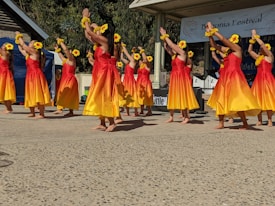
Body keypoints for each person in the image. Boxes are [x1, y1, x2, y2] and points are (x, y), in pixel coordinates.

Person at [205, 22, 261, 129]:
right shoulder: (228, 51)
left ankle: (245, 123)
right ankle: (221, 122)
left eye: (231, 39)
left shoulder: (238, 50)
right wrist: (210, 35)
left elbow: (223, 40)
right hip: (225, 77)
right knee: (221, 98)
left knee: (237, 99)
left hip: (235, 77)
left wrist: (214, 30)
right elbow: (214, 46)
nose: (229, 40)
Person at [81, 8, 119, 132]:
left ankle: (112, 122)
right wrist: (88, 24)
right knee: (98, 96)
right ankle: (102, 122)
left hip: (105, 73)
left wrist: (86, 18)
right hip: (99, 72)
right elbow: (88, 35)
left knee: (106, 95)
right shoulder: (98, 44)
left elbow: (91, 34)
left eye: (100, 30)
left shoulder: (105, 42)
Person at [159, 27, 199, 124]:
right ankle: (171, 116)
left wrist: (165, 35)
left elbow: (171, 45)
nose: (176, 47)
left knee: (182, 96)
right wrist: (164, 38)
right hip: (174, 77)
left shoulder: (182, 53)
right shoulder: (175, 56)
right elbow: (167, 47)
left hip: (181, 77)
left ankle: (186, 116)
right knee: (172, 96)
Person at [16, 31, 51, 118]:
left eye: (31, 42)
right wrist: (18, 42)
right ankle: (32, 112)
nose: (30, 43)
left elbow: (24, 46)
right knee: (31, 92)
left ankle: (41, 113)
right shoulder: (29, 54)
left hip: (36, 75)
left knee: (38, 92)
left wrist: (19, 36)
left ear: (35, 45)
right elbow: (21, 49)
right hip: (30, 75)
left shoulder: (34, 52)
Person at [248, 29, 275, 127]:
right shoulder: (258, 58)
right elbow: (249, 51)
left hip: (268, 79)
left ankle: (269, 120)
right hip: (259, 80)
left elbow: (263, 45)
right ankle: (259, 120)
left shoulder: (269, 56)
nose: (260, 49)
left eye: (262, 48)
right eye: (260, 49)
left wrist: (256, 36)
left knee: (268, 99)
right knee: (258, 99)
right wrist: (252, 40)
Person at [53, 38, 79, 117]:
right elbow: (61, 56)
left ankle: (60, 109)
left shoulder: (72, 60)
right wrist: (57, 50)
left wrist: (61, 42)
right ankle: (67, 110)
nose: (69, 52)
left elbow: (66, 50)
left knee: (67, 93)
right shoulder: (66, 60)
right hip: (65, 79)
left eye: (70, 51)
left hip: (70, 79)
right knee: (62, 92)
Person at [207, 46, 234, 124]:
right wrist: (213, 50)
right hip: (221, 83)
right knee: (221, 99)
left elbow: (225, 55)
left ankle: (231, 117)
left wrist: (219, 50)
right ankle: (222, 117)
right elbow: (214, 56)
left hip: (228, 82)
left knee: (228, 98)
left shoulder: (228, 63)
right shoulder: (222, 63)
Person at [120, 45, 140, 116]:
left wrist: (124, 47)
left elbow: (127, 54)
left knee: (133, 95)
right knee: (126, 95)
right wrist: (122, 51)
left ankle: (136, 112)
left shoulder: (133, 62)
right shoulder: (128, 63)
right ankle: (127, 112)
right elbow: (122, 58)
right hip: (126, 80)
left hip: (130, 80)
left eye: (132, 55)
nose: (131, 55)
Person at [136, 46, 153, 116]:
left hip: (146, 83)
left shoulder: (147, 66)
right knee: (140, 96)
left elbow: (145, 59)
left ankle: (149, 110)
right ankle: (142, 110)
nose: (140, 61)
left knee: (147, 96)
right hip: (140, 83)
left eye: (140, 60)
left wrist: (142, 50)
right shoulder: (140, 67)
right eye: (139, 61)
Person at [0, 42, 16, 113]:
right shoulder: (3, 54)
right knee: (3, 91)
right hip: (2, 74)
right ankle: (8, 108)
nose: (1, 47)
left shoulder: (6, 54)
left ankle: (9, 108)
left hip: (5, 74)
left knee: (6, 91)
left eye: (3, 46)